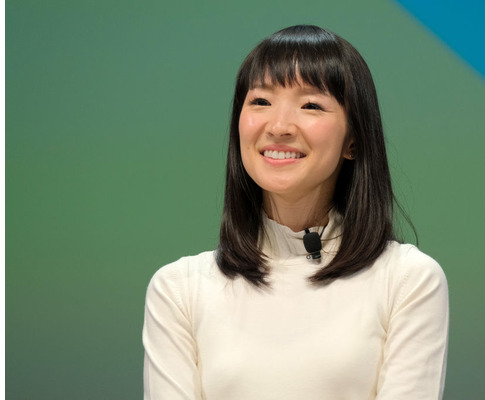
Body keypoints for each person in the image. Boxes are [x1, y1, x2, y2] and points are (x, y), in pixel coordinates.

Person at [143, 25, 449, 400]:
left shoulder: (407, 280)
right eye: (260, 102)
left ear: (353, 139)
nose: (279, 126)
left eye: (311, 106)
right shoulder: (178, 290)